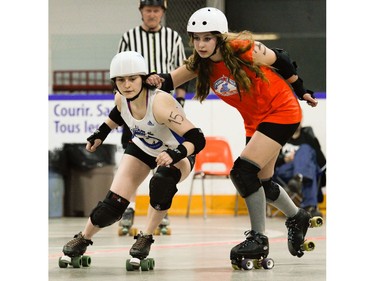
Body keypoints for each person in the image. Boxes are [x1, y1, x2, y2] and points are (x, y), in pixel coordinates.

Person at [146, 7, 319, 260]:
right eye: (196, 38)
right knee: (262, 183)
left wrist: (301, 89)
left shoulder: (242, 49)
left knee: (242, 172)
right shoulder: (201, 63)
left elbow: (281, 58)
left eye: (207, 38)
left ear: (220, 37)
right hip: (256, 121)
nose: (201, 44)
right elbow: (168, 81)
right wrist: (144, 80)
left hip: (281, 110)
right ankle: (297, 217)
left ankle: (258, 239)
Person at [61, 51, 206, 266]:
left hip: (178, 153)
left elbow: (197, 138)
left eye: (132, 79)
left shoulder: (160, 102)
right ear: (115, 82)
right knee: (112, 206)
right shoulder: (121, 97)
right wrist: (101, 133)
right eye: (121, 80)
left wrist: (175, 154)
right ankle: (83, 239)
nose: (127, 85)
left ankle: (145, 236)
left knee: (162, 182)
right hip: (142, 148)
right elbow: (118, 113)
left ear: (143, 78)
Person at [117, 0, 189, 229]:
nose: (152, 14)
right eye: (148, 10)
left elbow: (181, 74)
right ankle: (128, 208)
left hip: (163, 110)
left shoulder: (173, 38)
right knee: (134, 161)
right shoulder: (129, 37)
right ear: (141, 12)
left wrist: (179, 104)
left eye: (156, 10)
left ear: (162, 13)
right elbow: (120, 73)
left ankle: (160, 209)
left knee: (163, 161)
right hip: (136, 108)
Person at [274, 123, 326, 217]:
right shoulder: (281, 137)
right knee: (308, 169)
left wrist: (314, 143)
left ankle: (299, 177)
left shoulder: (308, 137)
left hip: (304, 174)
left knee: (306, 151)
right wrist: (284, 159)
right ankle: (309, 207)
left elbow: (322, 162)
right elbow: (270, 160)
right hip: (285, 171)